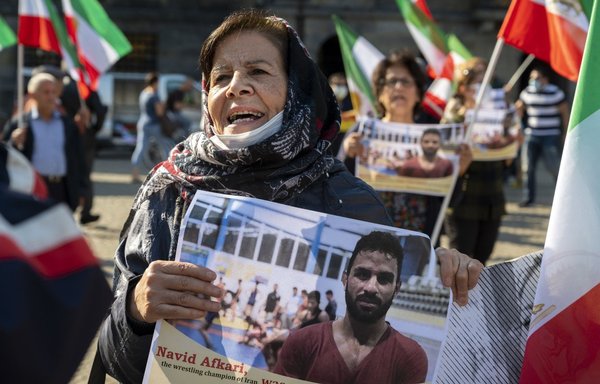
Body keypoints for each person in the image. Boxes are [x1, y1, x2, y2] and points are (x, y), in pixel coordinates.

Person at [96, 10, 482, 383]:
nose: (236, 87)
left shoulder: (352, 201)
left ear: (296, 89)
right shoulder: (169, 192)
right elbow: (118, 359)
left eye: (258, 72)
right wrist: (135, 310)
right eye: (221, 77)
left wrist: (441, 277)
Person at [274, 231, 442, 383]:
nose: (370, 287)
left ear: (396, 288)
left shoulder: (410, 358)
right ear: (345, 279)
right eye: (362, 274)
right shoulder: (301, 342)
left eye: (384, 279)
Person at [342, 51, 471, 236]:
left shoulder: (436, 138)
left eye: (406, 81)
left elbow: (449, 202)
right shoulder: (361, 133)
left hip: (420, 242)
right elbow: (340, 190)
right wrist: (349, 156)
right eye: (391, 82)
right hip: (368, 240)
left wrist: (459, 171)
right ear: (379, 93)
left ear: (418, 93)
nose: (398, 88)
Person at [441, 57, 507, 265]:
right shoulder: (453, 119)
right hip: (464, 201)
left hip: (492, 197)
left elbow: (507, 162)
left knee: (482, 260)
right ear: (463, 88)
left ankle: (478, 299)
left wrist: (513, 141)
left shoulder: (499, 116)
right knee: (461, 260)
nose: (482, 88)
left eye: (486, 82)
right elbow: (444, 162)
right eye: (477, 83)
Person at [3, 73, 85, 211]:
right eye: (46, 92)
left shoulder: (67, 124)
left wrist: (82, 189)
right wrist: (13, 141)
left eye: (54, 92)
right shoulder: (20, 124)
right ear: (33, 94)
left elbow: (78, 158)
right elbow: (4, 156)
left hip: (62, 189)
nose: (51, 96)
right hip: (33, 189)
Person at [515, 66, 569, 207]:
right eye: (532, 78)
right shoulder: (527, 92)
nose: (534, 80)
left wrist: (565, 132)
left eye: (537, 78)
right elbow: (520, 108)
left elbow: (564, 113)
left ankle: (563, 199)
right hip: (532, 134)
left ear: (545, 79)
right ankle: (528, 198)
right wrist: (518, 122)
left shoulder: (555, 92)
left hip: (550, 135)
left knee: (554, 167)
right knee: (528, 167)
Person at [130, 72, 169, 182]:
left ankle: (135, 174)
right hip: (153, 124)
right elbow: (160, 113)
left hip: (142, 122)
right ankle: (168, 173)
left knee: (140, 148)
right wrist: (164, 105)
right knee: (164, 147)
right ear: (155, 82)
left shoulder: (143, 93)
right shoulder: (154, 95)